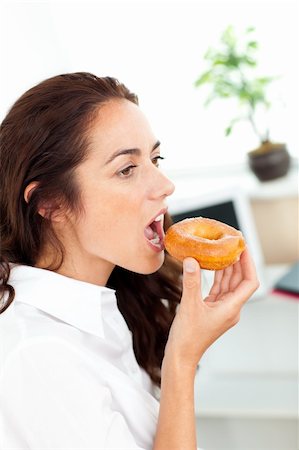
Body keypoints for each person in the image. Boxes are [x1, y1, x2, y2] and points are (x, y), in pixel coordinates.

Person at [0, 72, 259, 450]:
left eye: (156, 158)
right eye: (126, 169)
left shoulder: (109, 299)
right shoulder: (37, 355)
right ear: (50, 203)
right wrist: (181, 361)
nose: (165, 185)